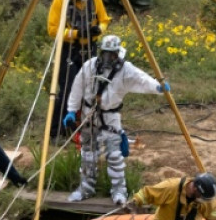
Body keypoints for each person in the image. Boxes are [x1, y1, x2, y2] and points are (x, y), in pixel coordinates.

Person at [64, 34, 168, 205]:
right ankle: (85, 188)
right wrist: (71, 110)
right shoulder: (89, 66)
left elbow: (142, 79)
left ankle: (119, 191)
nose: (107, 58)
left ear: (117, 53)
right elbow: (77, 88)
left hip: (111, 118)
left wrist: (157, 87)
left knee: (114, 155)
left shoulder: (126, 69)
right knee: (88, 155)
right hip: (89, 115)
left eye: (111, 54)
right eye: (105, 53)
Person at [47, 0, 111, 139]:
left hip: (90, 50)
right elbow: (52, 29)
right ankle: (57, 131)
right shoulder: (61, 1)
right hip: (69, 51)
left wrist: (99, 30)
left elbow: (104, 19)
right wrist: (75, 33)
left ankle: (85, 126)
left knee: (91, 89)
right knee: (68, 90)